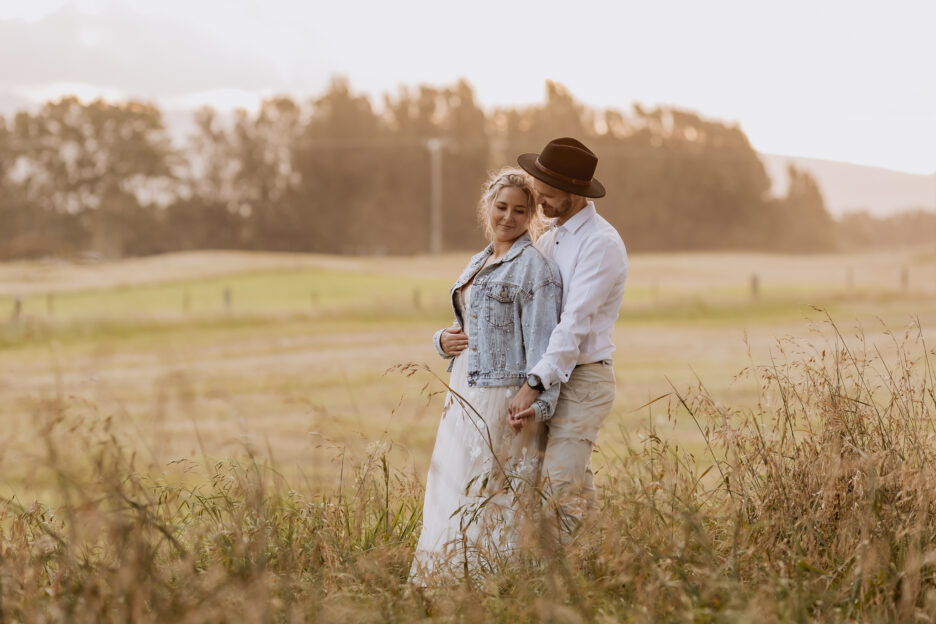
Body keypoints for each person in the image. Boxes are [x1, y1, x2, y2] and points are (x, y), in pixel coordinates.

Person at [410, 168, 562, 583]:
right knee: (454, 482)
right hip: (463, 389)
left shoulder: (536, 269)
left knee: (492, 492)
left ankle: (491, 584)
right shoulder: (481, 259)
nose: (508, 218)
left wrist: (537, 401)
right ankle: (444, 577)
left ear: (531, 215)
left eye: (519, 210)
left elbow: (545, 347)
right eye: (501, 207)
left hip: (500, 396)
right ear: (487, 208)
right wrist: (442, 340)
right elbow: (470, 322)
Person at [507, 137, 628, 540]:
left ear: (575, 192)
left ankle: (554, 589)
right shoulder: (551, 238)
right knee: (576, 490)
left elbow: (572, 325)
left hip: (584, 381)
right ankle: (601, 569)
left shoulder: (601, 243)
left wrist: (532, 385)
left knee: (558, 492)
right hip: (555, 378)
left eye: (548, 192)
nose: (538, 197)